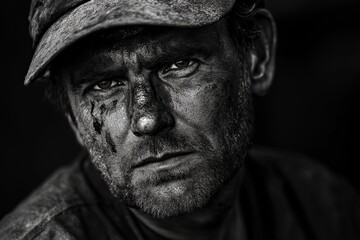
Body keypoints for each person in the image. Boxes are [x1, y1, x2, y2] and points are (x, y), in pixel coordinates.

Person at [0, 0, 359, 239]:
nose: (147, 119)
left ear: (256, 56)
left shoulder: (323, 205)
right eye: (104, 84)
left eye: (177, 65)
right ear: (73, 118)